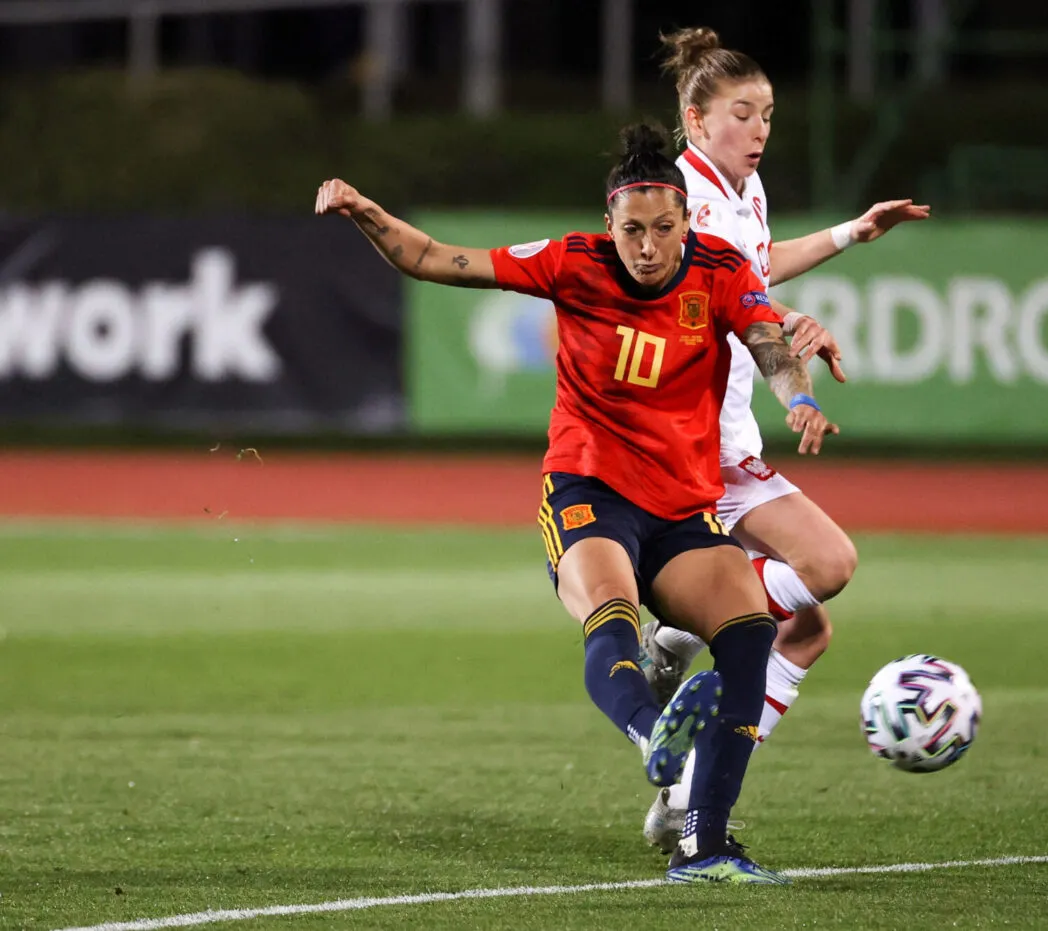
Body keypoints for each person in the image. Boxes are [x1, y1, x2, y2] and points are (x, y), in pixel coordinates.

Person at [314, 122, 844, 884]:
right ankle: (650, 732)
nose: (649, 247)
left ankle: (706, 847)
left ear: (687, 222)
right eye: (633, 230)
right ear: (610, 226)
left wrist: (797, 398)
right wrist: (365, 211)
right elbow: (433, 258)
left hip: (683, 509)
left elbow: (767, 342)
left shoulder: (722, 271)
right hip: (588, 489)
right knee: (612, 611)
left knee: (750, 629)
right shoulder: (573, 262)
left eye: (664, 228)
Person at [639, 26, 933, 852]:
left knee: (807, 624)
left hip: (730, 440)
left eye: (768, 112)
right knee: (825, 570)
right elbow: (704, 307)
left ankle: (687, 789)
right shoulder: (679, 207)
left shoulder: (744, 192)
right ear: (696, 122)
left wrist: (848, 235)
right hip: (687, 447)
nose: (761, 128)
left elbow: (754, 275)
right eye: (743, 112)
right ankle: (678, 636)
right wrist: (788, 370)